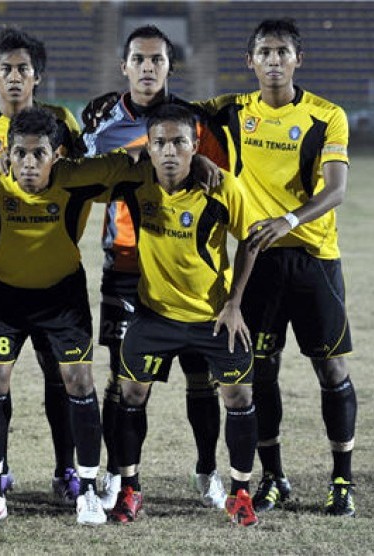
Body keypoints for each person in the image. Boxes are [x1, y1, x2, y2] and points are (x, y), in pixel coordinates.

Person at [0, 106, 167, 526]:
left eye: (38, 154)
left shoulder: (78, 177)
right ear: (8, 153)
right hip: (2, 298)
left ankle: (89, 492)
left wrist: (194, 160)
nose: (28, 164)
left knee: (79, 381)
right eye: (19, 153)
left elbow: (132, 161)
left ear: (56, 154)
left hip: (62, 297)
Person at [206, 19, 356, 517]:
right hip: (258, 264)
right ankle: (273, 478)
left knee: (331, 369)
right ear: (250, 62)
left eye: (282, 52)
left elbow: (335, 190)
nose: (273, 60)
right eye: (264, 52)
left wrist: (288, 219)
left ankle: (342, 480)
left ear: (298, 60)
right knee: (261, 373)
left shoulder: (326, 116)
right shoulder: (232, 110)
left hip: (314, 259)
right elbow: (176, 119)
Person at [80, 25, 229, 510]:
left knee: (200, 375)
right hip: (126, 264)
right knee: (124, 379)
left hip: (190, 272)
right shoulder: (103, 122)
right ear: (124, 66)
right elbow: (79, 174)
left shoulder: (195, 124)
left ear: (169, 66)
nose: (147, 68)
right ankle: (120, 476)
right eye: (138, 59)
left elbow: (221, 189)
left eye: (157, 60)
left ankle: (207, 470)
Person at [104, 104, 260, 527]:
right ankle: (129, 489)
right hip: (154, 315)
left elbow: (249, 240)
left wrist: (234, 304)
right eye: (159, 143)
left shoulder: (221, 186)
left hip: (212, 317)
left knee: (238, 397)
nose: (169, 151)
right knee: (130, 395)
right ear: (148, 147)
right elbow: (86, 172)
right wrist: (129, 155)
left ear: (195, 146)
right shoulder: (135, 181)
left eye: (179, 142)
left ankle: (240, 492)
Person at [0, 26, 82, 505]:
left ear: (38, 77)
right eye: (6, 69)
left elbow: (80, 178)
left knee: (60, 373)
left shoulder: (61, 121)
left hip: (51, 260)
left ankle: (66, 470)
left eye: (23, 69)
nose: (14, 77)